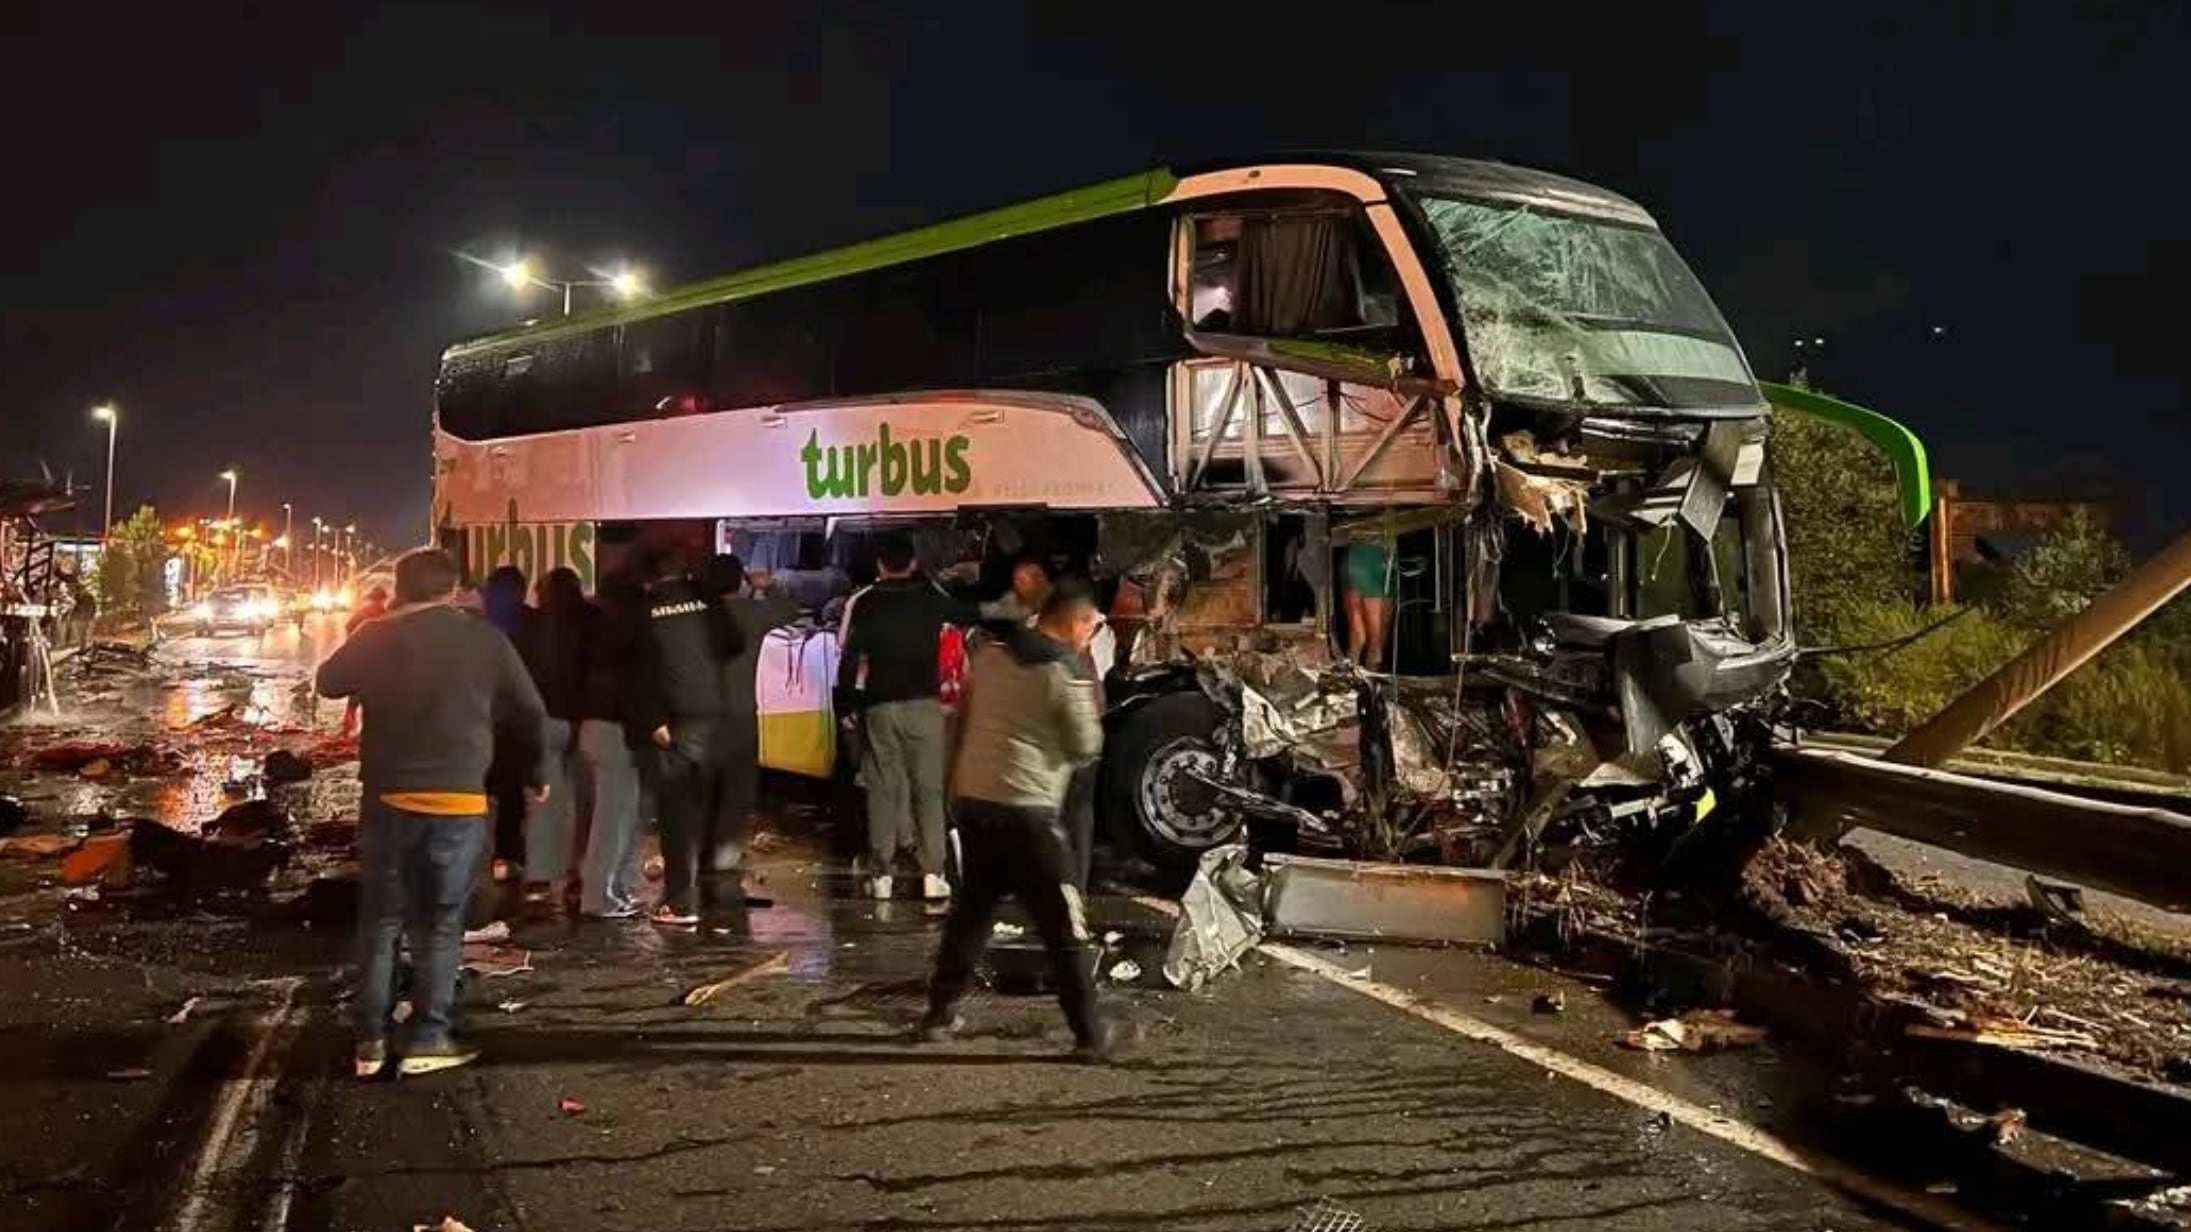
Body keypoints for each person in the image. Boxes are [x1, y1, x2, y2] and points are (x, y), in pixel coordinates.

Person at [317, 548, 548, 1079]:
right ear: (454, 589)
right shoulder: (484, 639)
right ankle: (430, 1036)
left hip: (387, 802)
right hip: (458, 802)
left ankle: (369, 1043)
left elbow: (328, 682)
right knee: (440, 926)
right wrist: (536, 772)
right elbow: (529, 708)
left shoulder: (376, 635)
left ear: (401, 588)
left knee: (380, 924)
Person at [919, 578, 1110, 1060]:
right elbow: (1085, 745)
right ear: (1073, 623)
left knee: (970, 918)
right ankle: (1090, 1035)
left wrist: (954, 791)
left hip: (977, 804)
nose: (1091, 635)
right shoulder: (1062, 671)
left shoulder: (989, 657)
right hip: (1029, 814)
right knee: (1064, 924)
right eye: (1091, 626)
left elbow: (960, 723)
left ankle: (938, 1014)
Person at [836, 534, 976, 901]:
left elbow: (850, 657)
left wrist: (846, 705)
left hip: (880, 706)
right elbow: (967, 614)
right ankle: (933, 873)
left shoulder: (867, 603)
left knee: (882, 788)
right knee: (928, 789)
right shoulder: (929, 598)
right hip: (923, 706)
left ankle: (882, 874)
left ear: (880, 565)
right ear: (913, 563)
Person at [631, 542, 742, 926]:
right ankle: (707, 893)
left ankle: (680, 902)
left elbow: (640, 672)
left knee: (676, 814)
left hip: (675, 723)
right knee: (706, 804)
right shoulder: (707, 602)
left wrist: (652, 721)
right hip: (715, 716)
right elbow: (734, 643)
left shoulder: (644, 611)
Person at [706, 554, 798, 893]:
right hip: (742, 714)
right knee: (737, 786)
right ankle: (725, 853)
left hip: (700, 716)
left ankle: (700, 850)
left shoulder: (697, 617)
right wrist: (769, 586)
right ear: (740, 581)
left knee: (704, 786)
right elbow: (790, 611)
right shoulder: (752, 614)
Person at [573, 566, 651, 920]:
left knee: (614, 817)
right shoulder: (630, 642)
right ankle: (598, 898)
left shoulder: (594, 631)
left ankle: (614, 891)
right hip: (615, 734)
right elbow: (635, 694)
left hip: (592, 727)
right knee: (613, 821)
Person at [519, 567, 592, 907]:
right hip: (584, 720)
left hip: (543, 722)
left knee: (543, 800)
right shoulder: (591, 621)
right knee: (584, 801)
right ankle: (578, 873)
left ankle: (539, 877)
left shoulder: (531, 625)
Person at [480, 566, 534, 880]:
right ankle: (505, 853)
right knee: (512, 789)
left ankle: (484, 853)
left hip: (482, 717)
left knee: (482, 785)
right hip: (515, 718)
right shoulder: (531, 623)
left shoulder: (477, 626)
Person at [338, 585, 391, 739]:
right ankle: (353, 731)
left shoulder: (366, 613)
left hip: (364, 661)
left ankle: (348, 731)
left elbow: (348, 627)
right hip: (373, 662)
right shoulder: (384, 614)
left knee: (355, 701)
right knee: (362, 701)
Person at [1342, 540, 1394, 670]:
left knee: (1377, 635)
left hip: (1385, 552)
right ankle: (1355, 676)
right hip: (1368, 551)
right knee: (1363, 636)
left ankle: (1367, 680)